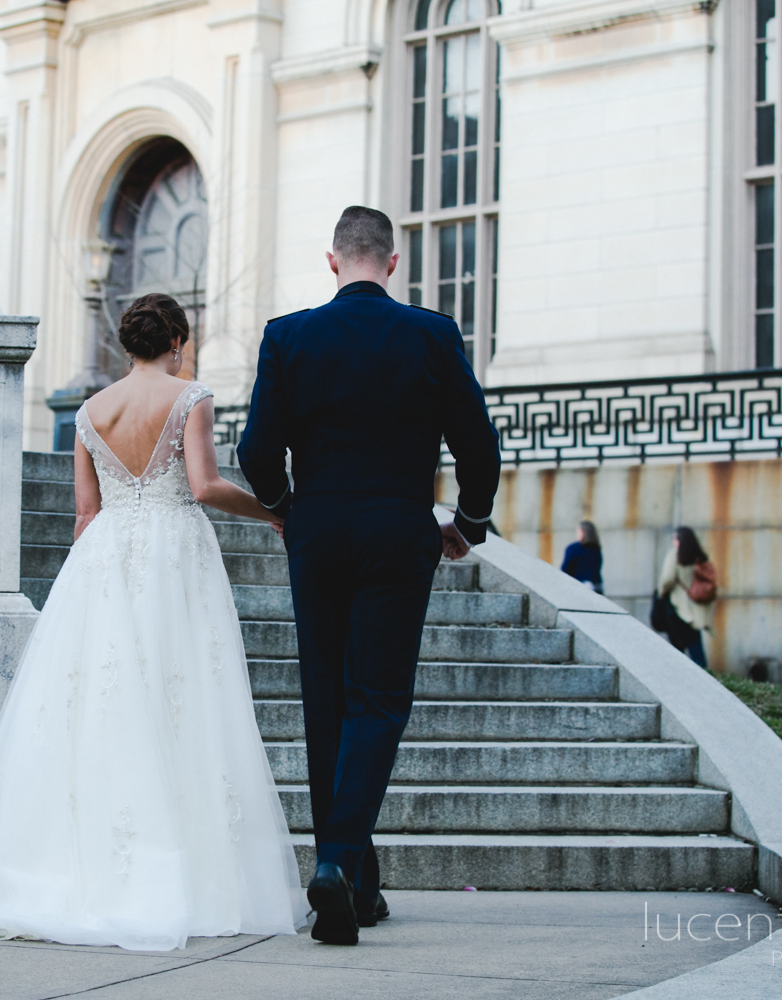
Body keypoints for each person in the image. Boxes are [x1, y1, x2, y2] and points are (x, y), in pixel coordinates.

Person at [0, 293, 305, 951]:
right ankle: (184, 870)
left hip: (103, 558)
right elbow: (206, 484)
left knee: (95, 708)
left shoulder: (89, 411)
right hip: (173, 552)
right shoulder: (190, 395)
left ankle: (81, 866)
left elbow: (84, 509)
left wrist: (89, 579)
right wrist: (275, 510)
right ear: (178, 341)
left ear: (128, 344)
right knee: (181, 697)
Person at [237, 206, 501, 946]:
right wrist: (469, 524)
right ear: (390, 262)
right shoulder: (430, 333)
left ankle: (353, 878)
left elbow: (257, 451)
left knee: (326, 698)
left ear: (332, 262)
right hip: (397, 525)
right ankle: (338, 864)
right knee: (378, 700)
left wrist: (290, 507)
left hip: (317, 528)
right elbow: (478, 446)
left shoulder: (287, 336)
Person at [657, 526, 715, 668]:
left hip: (678, 606)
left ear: (679, 540)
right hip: (695, 609)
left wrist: (661, 593)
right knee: (695, 644)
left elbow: (667, 579)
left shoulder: (675, 555)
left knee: (677, 644)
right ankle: (703, 674)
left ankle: (678, 674)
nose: (673, 541)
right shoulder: (699, 556)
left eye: (675, 538)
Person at [561, 520, 604, 593]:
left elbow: (565, 569)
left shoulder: (573, 548)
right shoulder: (596, 550)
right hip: (597, 587)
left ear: (583, 532)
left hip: (579, 588)